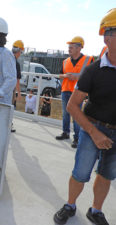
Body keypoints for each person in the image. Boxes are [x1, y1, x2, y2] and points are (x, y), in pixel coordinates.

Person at [53, 8, 116, 225]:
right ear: (108, 37)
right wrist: (94, 133)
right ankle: (70, 205)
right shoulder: (94, 70)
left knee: (106, 175)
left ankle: (95, 211)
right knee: (80, 173)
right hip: (92, 129)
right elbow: (72, 105)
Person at [55, 36, 94, 148]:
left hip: (78, 92)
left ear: (79, 48)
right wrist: (65, 76)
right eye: (69, 47)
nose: (69, 49)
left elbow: (91, 76)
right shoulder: (65, 61)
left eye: (71, 47)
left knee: (76, 115)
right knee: (65, 113)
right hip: (65, 90)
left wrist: (76, 78)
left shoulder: (88, 59)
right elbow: (60, 75)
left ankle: (77, 138)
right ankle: (65, 133)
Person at [11, 40, 24, 107]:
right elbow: (17, 81)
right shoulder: (16, 64)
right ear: (18, 51)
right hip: (10, 91)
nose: (20, 54)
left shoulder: (6, 59)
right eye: (21, 52)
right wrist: (19, 93)